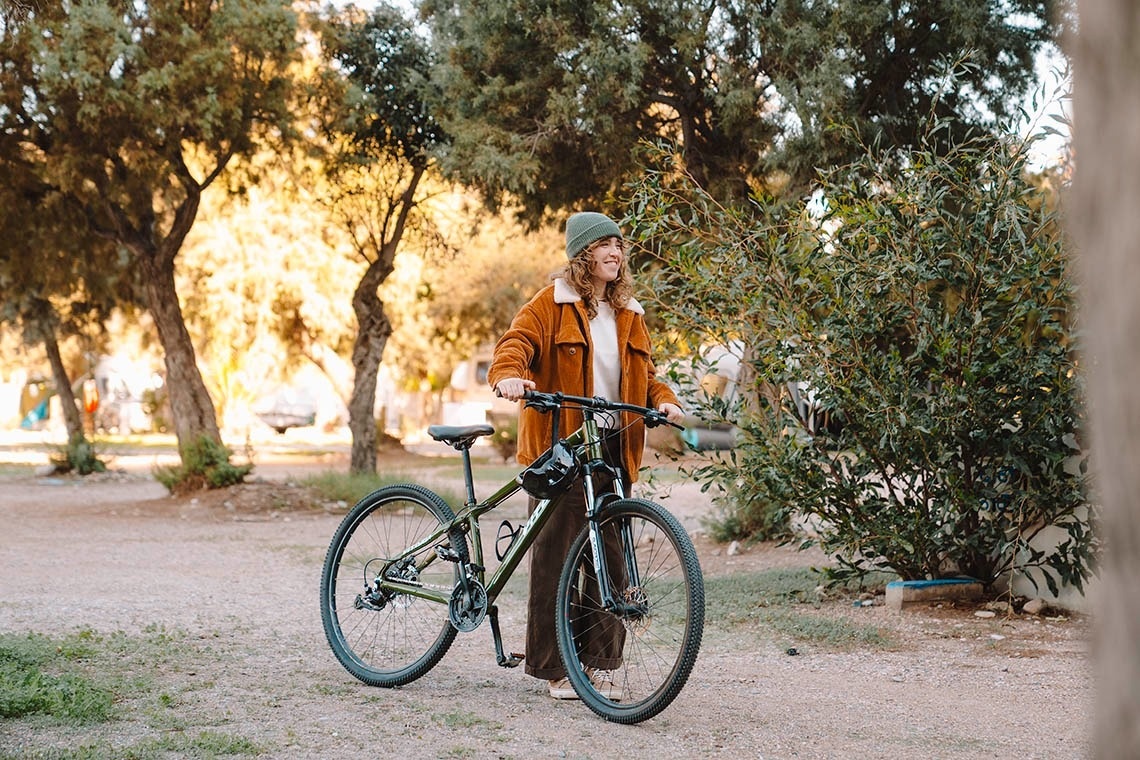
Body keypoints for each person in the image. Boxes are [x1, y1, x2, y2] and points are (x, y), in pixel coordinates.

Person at [487, 210, 684, 699]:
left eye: (619, 245)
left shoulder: (630, 314)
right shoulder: (549, 304)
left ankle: (596, 665)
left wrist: (663, 399)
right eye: (604, 245)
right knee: (556, 558)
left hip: (613, 449)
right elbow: (515, 345)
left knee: (609, 560)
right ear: (582, 254)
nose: (615, 252)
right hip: (561, 445)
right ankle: (555, 668)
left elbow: (645, 374)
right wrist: (509, 376)